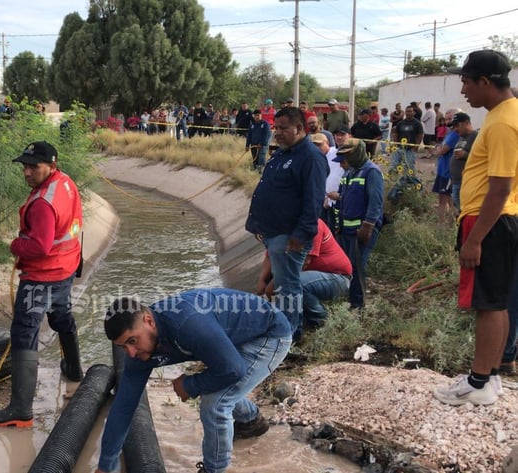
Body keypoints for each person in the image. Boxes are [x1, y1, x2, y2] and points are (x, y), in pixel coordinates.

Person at [95, 289, 292, 473]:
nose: (130, 352)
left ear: (149, 321)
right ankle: (251, 421)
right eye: (123, 347)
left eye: (132, 341)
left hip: (268, 334)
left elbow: (233, 370)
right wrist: (105, 466)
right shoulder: (139, 353)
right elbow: (123, 407)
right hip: (232, 338)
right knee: (215, 382)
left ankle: (214, 469)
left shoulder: (187, 325)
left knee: (215, 403)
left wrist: (190, 385)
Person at [434, 50, 518, 406]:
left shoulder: (501, 123)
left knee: (488, 303)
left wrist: (475, 239)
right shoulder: (507, 115)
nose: (464, 91)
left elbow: (500, 185)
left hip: (491, 221)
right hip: (499, 219)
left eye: (466, 82)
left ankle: (479, 382)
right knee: (496, 302)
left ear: (486, 82)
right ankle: (491, 376)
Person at [0, 141, 84, 428]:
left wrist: (16, 244)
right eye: (25, 166)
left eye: (34, 166)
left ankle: (20, 410)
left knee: (24, 333)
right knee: (61, 317)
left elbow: (39, 247)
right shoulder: (65, 182)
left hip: (43, 275)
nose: (27, 172)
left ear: (51, 165)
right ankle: (75, 370)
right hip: (66, 267)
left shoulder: (42, 203)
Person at [245, 107, 328, 337]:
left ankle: (290, 335)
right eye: (275, 128)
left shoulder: (310, 157)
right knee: (283, 287)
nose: (277, 133)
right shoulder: (283, 153)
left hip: (289, 235)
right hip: (273, 233)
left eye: (283, 128)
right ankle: (285, 332)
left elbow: (314, 201)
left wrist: (301, 235)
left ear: (299, 129)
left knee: (287, 288)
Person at [257, 219, 351, 333]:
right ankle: (298, 322)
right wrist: (262, 280)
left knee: (291, 284)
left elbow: (303, 263)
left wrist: (274, 285)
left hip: (338, 278)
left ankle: (320, 321)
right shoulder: (284, 226)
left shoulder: (312, 225)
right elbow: (270, 255)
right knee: (285, 285)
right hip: (315, 278)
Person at [330, 139, 384, 310]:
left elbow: (375, 202)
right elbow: (343, 199)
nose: (344, 161)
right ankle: (350, 299)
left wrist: (368, 227)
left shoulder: (371, 172)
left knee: (357, 267)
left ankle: (358, 305)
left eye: (348, 155)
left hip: (361, 230)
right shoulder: (350, 172)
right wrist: (338, 225)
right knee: (347, 266)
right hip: (347, 230)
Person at [427, 110, 460, 223]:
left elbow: (442, 150)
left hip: (448, 172)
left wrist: (437, 151)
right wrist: (439, 149)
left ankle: (444, 224)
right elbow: (440, 148)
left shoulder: (455, 134)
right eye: (446, 119)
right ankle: (446, 223)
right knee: (446, 199)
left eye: (450, 119)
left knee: (446, 200)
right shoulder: (449, 133)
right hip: (442, 171)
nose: (448, 121)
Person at [311, 133, 343, 234]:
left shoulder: (336, 154)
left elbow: (338, 176)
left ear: (327, 143)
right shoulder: (314, 158)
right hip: (323, 200)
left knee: (334, 230)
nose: (317, 148)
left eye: (320, 145)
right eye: (314, 146)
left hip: (337, 199)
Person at [448, 112, 476, 212]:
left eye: (457, 125)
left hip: (466, 182)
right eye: (454, 126)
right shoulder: (461, 137)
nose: (455, 129)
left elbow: (482, 158)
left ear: (466, 123)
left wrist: (465, 155)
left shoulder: (476, 137)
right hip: (456, 181)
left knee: (465, 211)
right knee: (458, 211)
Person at [390, 105, 423, 171]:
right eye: (407, 111)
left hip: (410, 149)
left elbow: (420, 135)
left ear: (414, 113)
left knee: (409, 167)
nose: (408, 113)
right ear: (405, 112)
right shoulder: (400, 123)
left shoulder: (417, 123)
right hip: (399, 148)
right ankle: (394, 180)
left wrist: (416, 147)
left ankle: (409, 180)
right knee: (394, 166)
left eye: (410, 111)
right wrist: (395, 144)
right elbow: (396, 133)